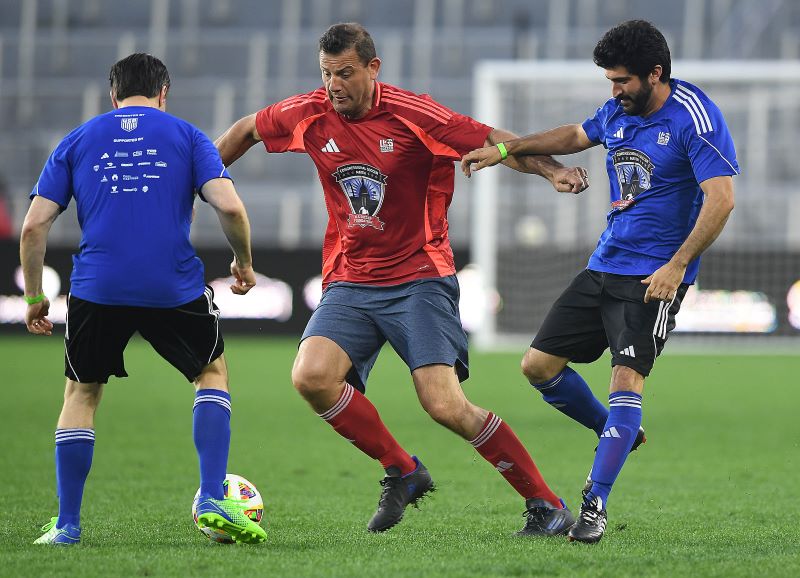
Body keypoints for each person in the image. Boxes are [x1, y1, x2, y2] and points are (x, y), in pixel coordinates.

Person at [215, 22, 589, 536]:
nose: (333, 85)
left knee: (444, 405)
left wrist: (550, 170)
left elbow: (494, 140)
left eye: (344, 73)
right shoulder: (309, 113)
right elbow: (246, 130)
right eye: (326, 74)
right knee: (311, 376)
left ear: (373, 68)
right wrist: (204, 179)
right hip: (351, 277)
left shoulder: (415, 115)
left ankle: (546, 504)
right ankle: (403, 470)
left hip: (420, 277)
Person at [461, 20, 738, 544]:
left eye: (622, 80)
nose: (613, 90)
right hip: (605, 264)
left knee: (625, 382)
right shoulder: (619, 110)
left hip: (654, 276)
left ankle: (595, 503)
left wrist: (677, 266)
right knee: (537, 366)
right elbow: (576, 135)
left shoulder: (694, 118)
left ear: (655, 74)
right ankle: (614, 433)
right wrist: (505, 150)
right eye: (609, 80)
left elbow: (722, 198)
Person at [21, 53, 265, 545]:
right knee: (211, 373)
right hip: (171, 284)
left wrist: (33, 296)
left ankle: (67, 525)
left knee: (82, 394)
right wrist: (243, 262)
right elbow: (232, 207)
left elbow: (33, 226)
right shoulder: (188, 137)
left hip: (97, 286)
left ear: (112, 96)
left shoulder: (77, 139)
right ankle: (214, 495)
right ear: (164, 93)